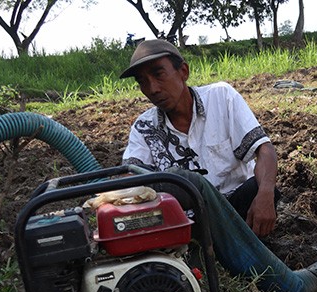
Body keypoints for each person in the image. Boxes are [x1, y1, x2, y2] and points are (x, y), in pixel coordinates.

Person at [119, 39, 279, 238]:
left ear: (183, 71)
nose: (152, 89)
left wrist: (265, 195)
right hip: (186, 221)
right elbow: (130, 176)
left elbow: (264, 150)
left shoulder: (221, 97)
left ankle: (249, 245)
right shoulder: (144, 127)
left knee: (259, 188)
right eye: (142, 82)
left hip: (235, 210)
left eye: (159, 75)